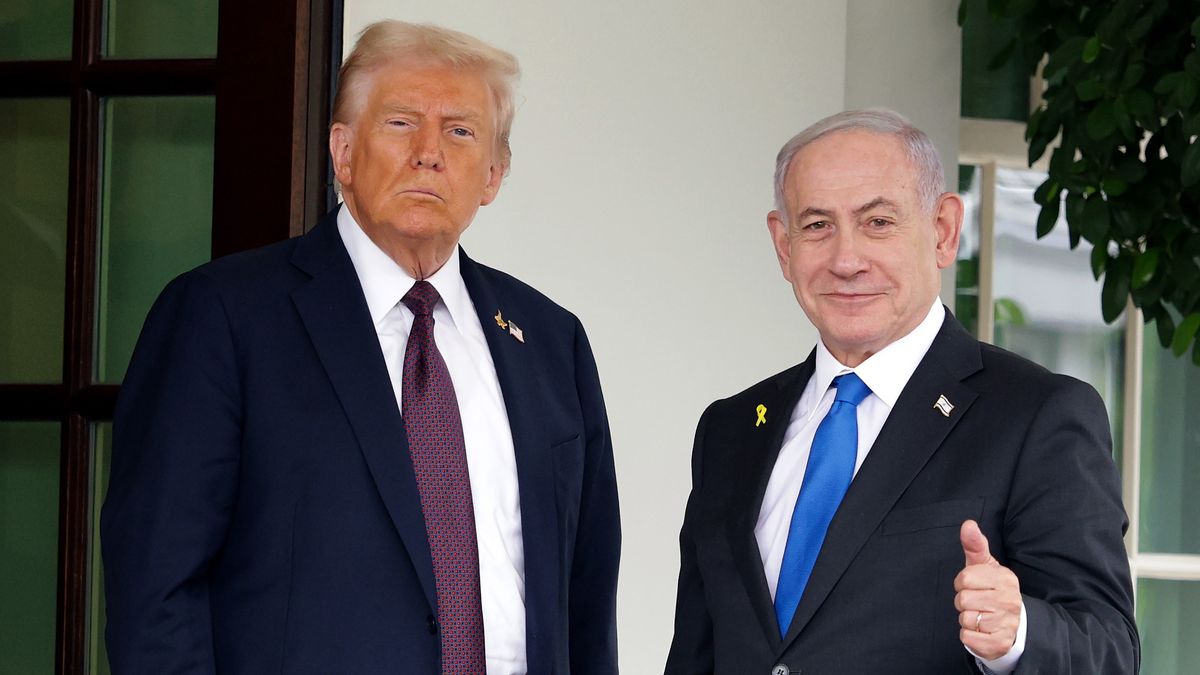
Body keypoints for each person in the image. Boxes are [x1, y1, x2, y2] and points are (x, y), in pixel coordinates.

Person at [101, 21, 619, 675]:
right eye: (401, 123)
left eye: (460, 131)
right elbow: (156, 591)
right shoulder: (223, 318)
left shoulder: (550, 341)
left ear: (493, 173)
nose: (429, 152)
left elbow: (587, 603)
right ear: (343, 152)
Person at [665, 109, 1138, 674]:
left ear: (943, 231)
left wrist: (1018, 636)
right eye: (817, 226)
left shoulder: (1039, 416)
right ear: (783, 245)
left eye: (878, 222)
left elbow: (1109, 651)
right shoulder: (730, 429)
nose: (846, 260)